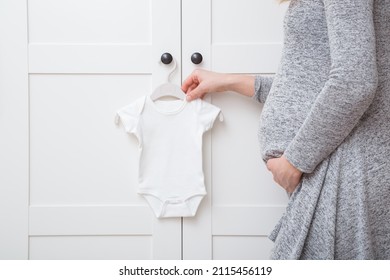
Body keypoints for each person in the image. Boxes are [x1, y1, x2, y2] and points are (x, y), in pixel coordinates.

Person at [181, 0, 389, 260]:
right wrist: (229, 82)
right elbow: (309, 88)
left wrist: (294, 161)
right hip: (333, 168)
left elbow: (355, 83)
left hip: (343, 174)